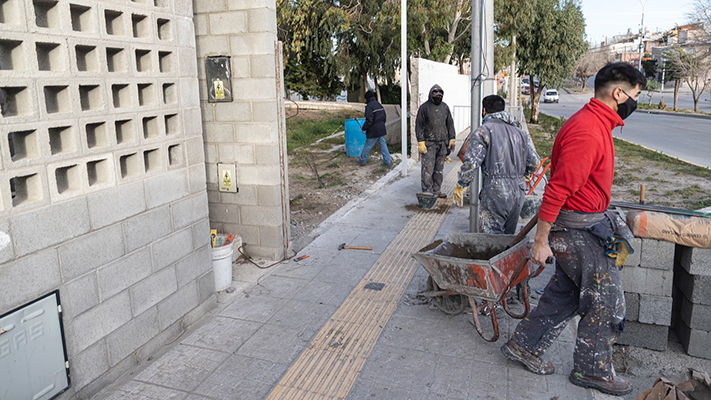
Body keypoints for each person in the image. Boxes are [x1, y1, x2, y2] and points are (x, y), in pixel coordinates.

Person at [500, 62, 646, 397]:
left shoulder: (594, 123)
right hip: (576, 230)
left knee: (565, 294)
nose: (634, 104)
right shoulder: (588, 130)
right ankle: (591, 371)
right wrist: (540, 242)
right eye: (634, 96)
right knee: (606, 302)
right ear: (618, 93)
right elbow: (557, 190)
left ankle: (524, 345)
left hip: (583, 223)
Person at [453, 95, 540, 234]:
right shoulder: (521, 133)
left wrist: (462, 184)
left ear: (484, 111)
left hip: (495, 191)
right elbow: (535, 162)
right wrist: (524, 178)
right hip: (518, 191)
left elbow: (471, 163)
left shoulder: (483, 131)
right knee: (507, 238)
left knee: (490, 240)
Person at [415, 84, 456, 198]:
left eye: (440, 93)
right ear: (431, 94)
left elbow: (450, 124)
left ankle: (436, 190)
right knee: (428, 168)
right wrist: (421, 142)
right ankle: (427, 190)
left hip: (442, 143)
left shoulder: (445, 107)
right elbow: (419, 125)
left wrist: (452, 139)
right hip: (429, 143)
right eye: (435, 92)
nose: (438, 95)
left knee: (439, 168)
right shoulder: (424, 107)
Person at [358, 90, 391, 166]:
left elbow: (369, 120)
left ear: (367, 98)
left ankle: (362, 161)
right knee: (383, 145)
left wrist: (364, 128)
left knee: (368, 146)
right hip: (381, 129)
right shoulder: (379, 104)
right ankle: (387, 161)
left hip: (374, 131)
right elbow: (384, 117)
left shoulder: (369, 106)